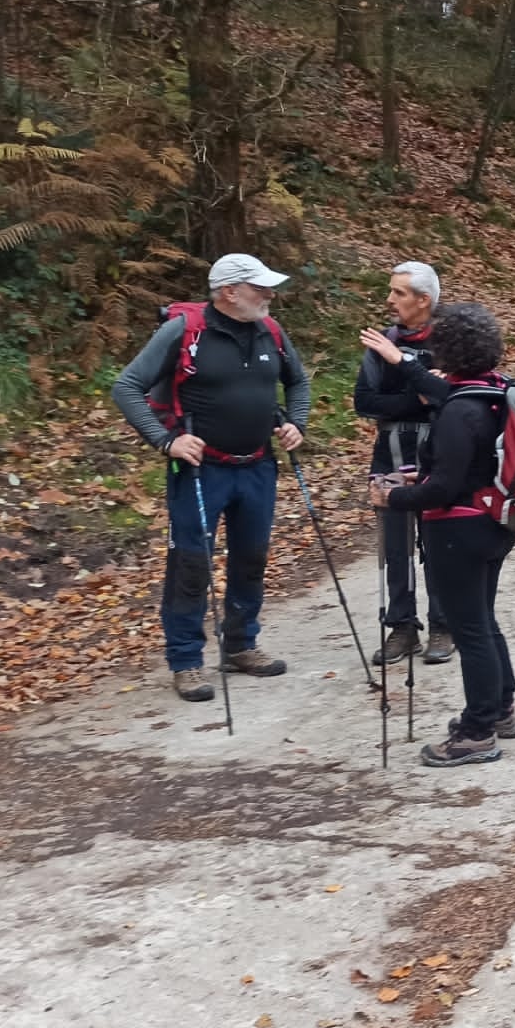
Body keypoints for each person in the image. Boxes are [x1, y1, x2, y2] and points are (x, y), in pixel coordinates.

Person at [111, 253, 310, 702]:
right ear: (229, 292)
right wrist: (166, 441)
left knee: (251, 558)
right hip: (201, 470)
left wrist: (296, 423)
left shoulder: (271, 330)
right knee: (191, 564)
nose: (270, 295)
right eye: (260, 288)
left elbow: (297, 382)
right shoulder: (183, 331)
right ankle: (185, 661)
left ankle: (240, 644)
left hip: (258, 464)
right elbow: (126, 387)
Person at [367, 302, 515, 768]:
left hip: (458, 531)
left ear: (447, 350)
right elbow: (471, 466)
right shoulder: (496, 392)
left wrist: (395, 497)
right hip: (495, 522)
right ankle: (501, 710)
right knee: (483, 619)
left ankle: (476, 733)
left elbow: (444, 489)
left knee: (469, 630)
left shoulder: (458, 412)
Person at [354, 262, 453, 667]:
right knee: (395, 547)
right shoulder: (383, 342)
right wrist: (420, 396)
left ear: (423, 300)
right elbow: (364, 402)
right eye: (391, 291)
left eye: (398, 293)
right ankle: (402, 627)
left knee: (440, 542)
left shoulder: (452, 340)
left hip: (442, 453)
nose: (389, 300)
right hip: (390, 454)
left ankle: (444, 625)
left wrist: (429, 392)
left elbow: (453, 396)